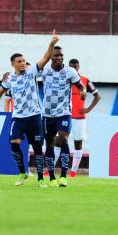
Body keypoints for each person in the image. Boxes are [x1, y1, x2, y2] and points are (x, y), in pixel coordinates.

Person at [0, 30, 59, 188]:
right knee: (14, 143)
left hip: (34, 116)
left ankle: (40, 178)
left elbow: (45, 58)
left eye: (24, 61)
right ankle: (22, 172)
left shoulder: (31, 72)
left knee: (37, 148)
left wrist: (51, 44)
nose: (22, 63)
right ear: (13, 64)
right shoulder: (9, 79)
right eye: (19, 61)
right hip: (18, 117)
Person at [40, 47, 86, 187]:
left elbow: (80, 86)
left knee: (63, 139)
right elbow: (27, 73)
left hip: (64, 112)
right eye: (57, 56)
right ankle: (52, 176)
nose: (60, 58)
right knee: (50, 144)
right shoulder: (44, 70)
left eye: (62, 55)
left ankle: (64, 176)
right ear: (51, 57)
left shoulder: (70, 71)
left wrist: (83, 92)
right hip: (47, 113)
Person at [52, 59, 101, 178]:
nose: (73, 68)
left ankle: (73, 172)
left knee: (78, 143)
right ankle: (50, 169)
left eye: (75, 66)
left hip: (79, 118)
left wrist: (88, 109)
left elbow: (97, 96)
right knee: (58, 142)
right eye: (71, 67)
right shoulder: (63, 79)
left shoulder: (85, 80)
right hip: (64, 115)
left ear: (79, 67)